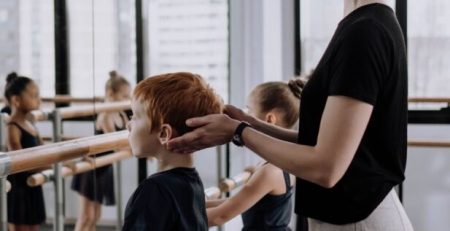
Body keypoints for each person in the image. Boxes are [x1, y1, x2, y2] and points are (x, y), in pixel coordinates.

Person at [168, 1, 413, 230]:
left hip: (359, 220)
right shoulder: (365, 25)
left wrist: (238, 131)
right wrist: (249, 123)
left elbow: (326, 167)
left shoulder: (365, 33)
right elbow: (320, 144)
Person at [122, 72, 223, 231]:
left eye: (135, 117)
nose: (129, 125)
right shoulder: (191, 181)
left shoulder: (154, 191)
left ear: (163, 134)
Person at [207, 78, 305, 230]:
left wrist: (168, 215)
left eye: (248, 111)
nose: (243, 115)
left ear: (269, 119)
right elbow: (237, 203)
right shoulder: (280, 163)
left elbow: (220, 216)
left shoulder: (270, 171)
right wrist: (189, 205)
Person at [71, 71, 131, 231]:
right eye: (124, 96)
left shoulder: (122, 115)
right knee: (86, 216)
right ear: (111, 94)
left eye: (128, 97)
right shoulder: (105, 116)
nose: (127, 100)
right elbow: (117, 144)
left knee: (96, 216)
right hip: (91, 167)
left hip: (105, 168)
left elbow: (129, 139)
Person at [5, 74, 46, 231]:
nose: (39, 100)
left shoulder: (30, 124)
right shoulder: (12, 127)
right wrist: (53, 164)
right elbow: (21, 162)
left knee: (34, 227)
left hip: (32, 184)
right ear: (16, 100)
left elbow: (45, 150)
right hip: (19, 189)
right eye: (34, 96)